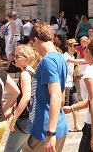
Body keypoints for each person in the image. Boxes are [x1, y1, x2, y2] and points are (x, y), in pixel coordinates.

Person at [25, 22, 69, 151]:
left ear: (36, 40)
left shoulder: (47, 61)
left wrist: (50, 133)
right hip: (56, 124)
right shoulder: (60, 58)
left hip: (44, 128)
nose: (33, 47)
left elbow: (55, 95)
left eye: (32, 44)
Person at [4, 44, 40, 152]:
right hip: (32, 117)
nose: (15, 59)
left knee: (10, 150)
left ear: (26, 59)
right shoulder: (32, 73)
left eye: (18, 57)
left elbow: (26, 97)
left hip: (24, 119)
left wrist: (14, 118)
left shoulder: (25, 74)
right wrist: (13, 109)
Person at [63, 38, 83, 132]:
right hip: (65, 84)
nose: (76, 48)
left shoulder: (72, 56)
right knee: (64, 106)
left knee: (75, 104)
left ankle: (76, 125)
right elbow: (75, 62)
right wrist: (88, 60)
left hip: (71, 83)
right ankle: (62, 126)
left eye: (77, 46)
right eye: (74, 46)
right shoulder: (65, 56)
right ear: (69, 47)